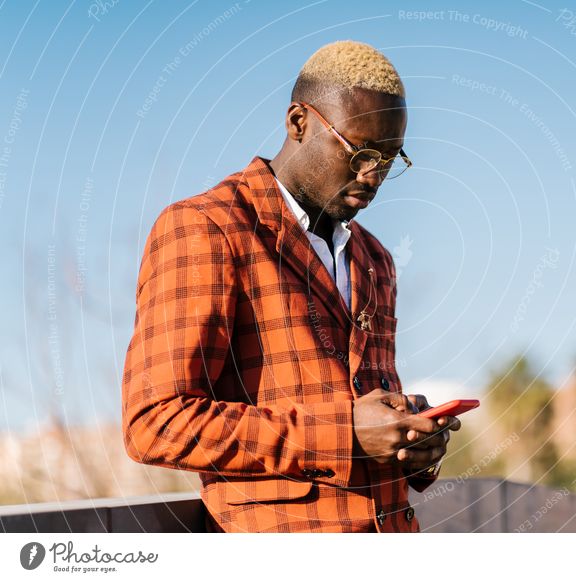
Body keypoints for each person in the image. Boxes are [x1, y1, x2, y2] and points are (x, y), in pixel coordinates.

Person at [121, 40, 460, 533]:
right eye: (360, 151)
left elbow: (360, 410)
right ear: (299, 122)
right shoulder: (206, 229)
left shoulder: (375, 258)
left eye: (389, 158)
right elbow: (155, 424)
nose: (373, 175)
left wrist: (409, 442)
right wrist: (345, 432)